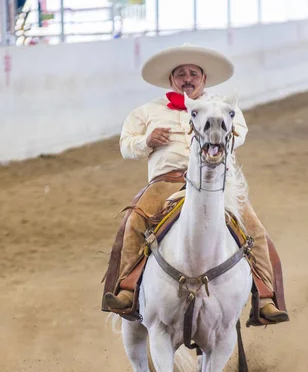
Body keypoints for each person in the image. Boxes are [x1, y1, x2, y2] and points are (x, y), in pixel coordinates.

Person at [102, 44, 288, 325]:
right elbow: (126, 146)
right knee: (133, 223)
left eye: (193, 73)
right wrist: (146, 141)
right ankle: (127, 290)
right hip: (167, 182)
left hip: (217, 183)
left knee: (255, 230)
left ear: (204, 78)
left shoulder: (223, 109)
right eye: (180, 74)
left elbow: (238, 135)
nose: (187, 78)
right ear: (171, 80)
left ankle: (265, 297)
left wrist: (214, 137)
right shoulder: (146, 112)